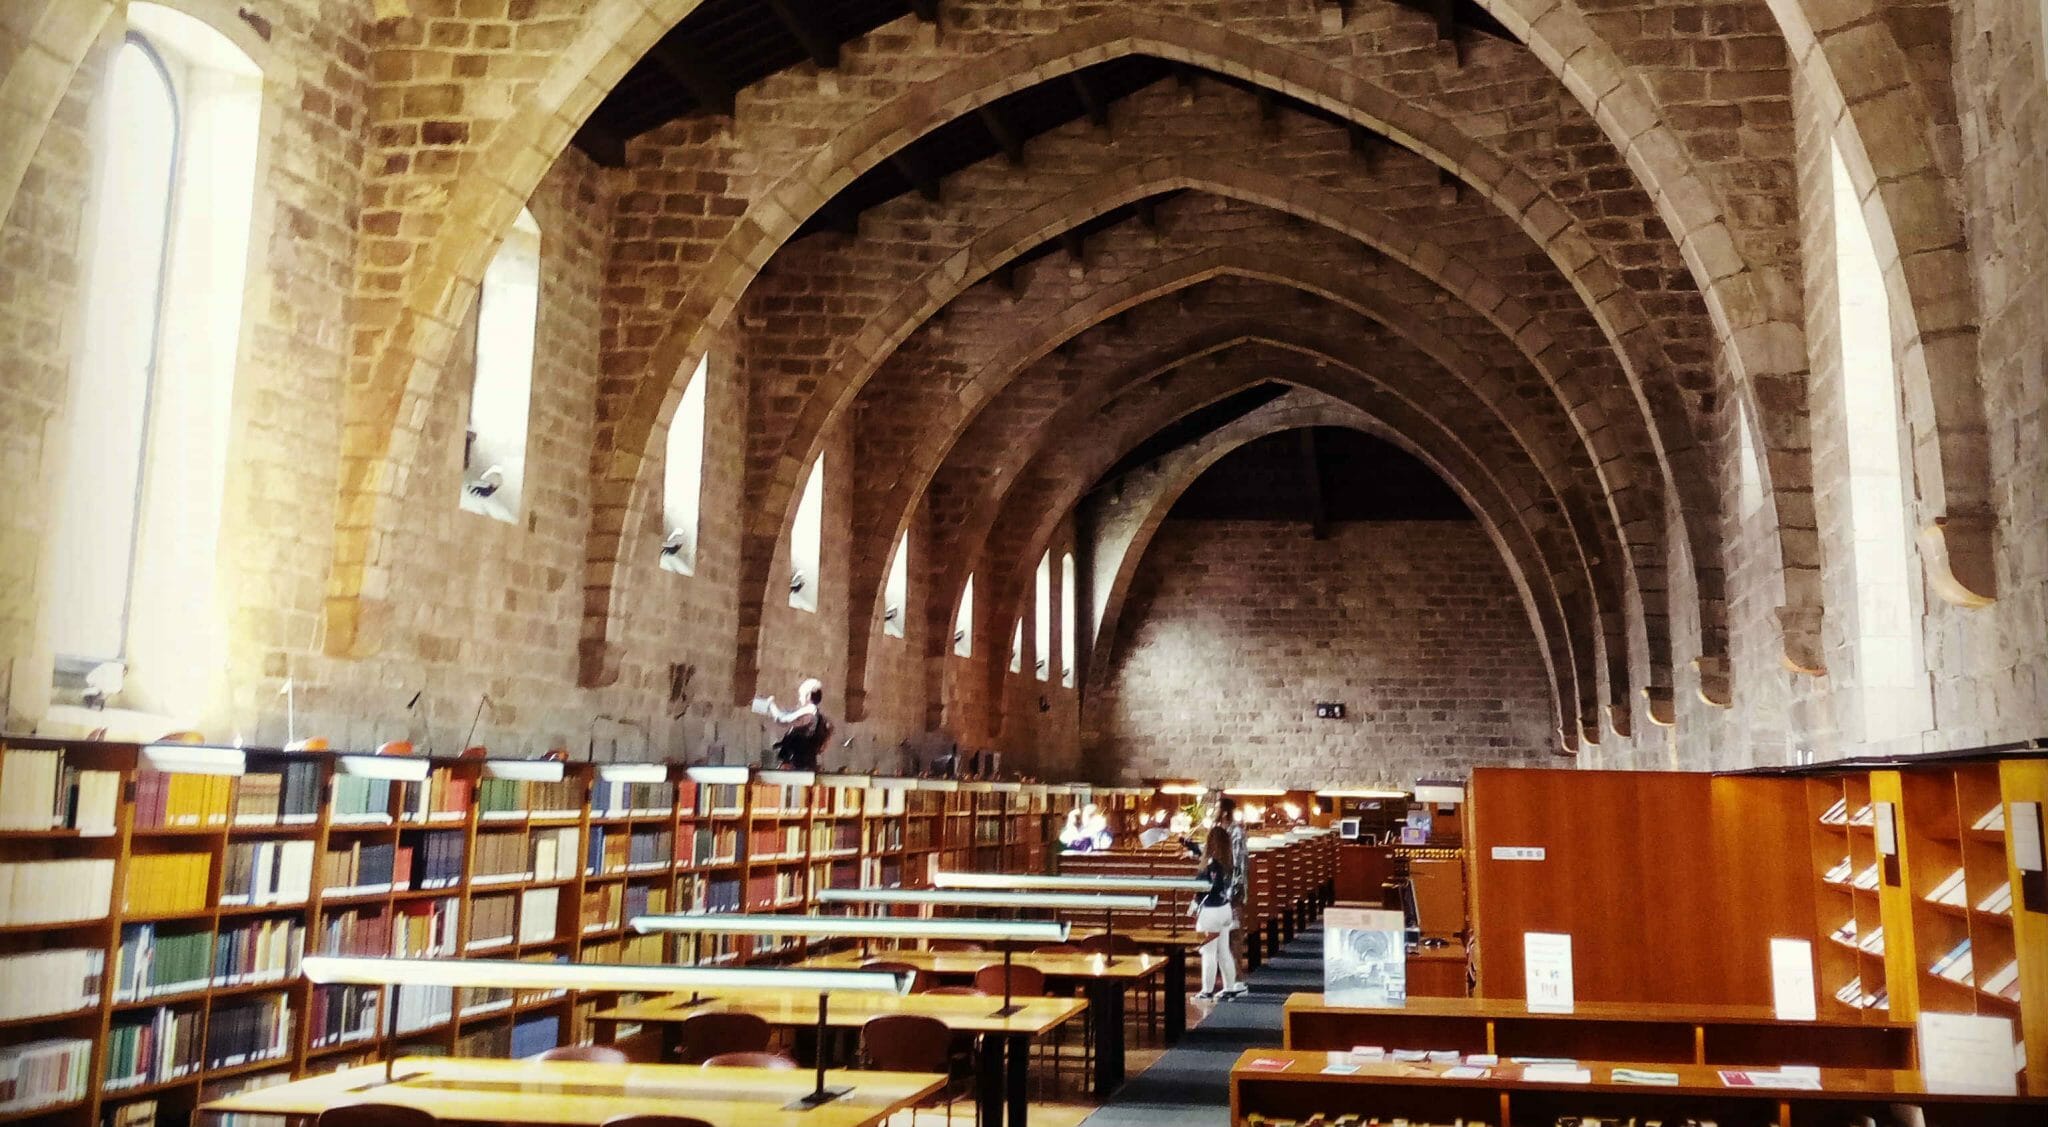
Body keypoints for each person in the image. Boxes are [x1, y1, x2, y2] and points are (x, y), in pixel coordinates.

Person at [1192, 822, 1245, 999]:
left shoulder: (1211, 864)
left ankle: (1207, 991)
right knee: (1223, 950)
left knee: (1208, 952)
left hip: (1210, 912)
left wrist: (1195, 901)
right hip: (1225, 910)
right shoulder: (1228, 862)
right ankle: (1229, 986)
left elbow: (1205, 888)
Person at [759, 677, 830, 770]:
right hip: (803, 762)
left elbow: (783, 720)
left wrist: (771, 705)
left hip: (799, 764)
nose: (800, 699)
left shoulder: (809, 710)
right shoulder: (815, 713)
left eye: (801, 695)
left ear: (808, 695)